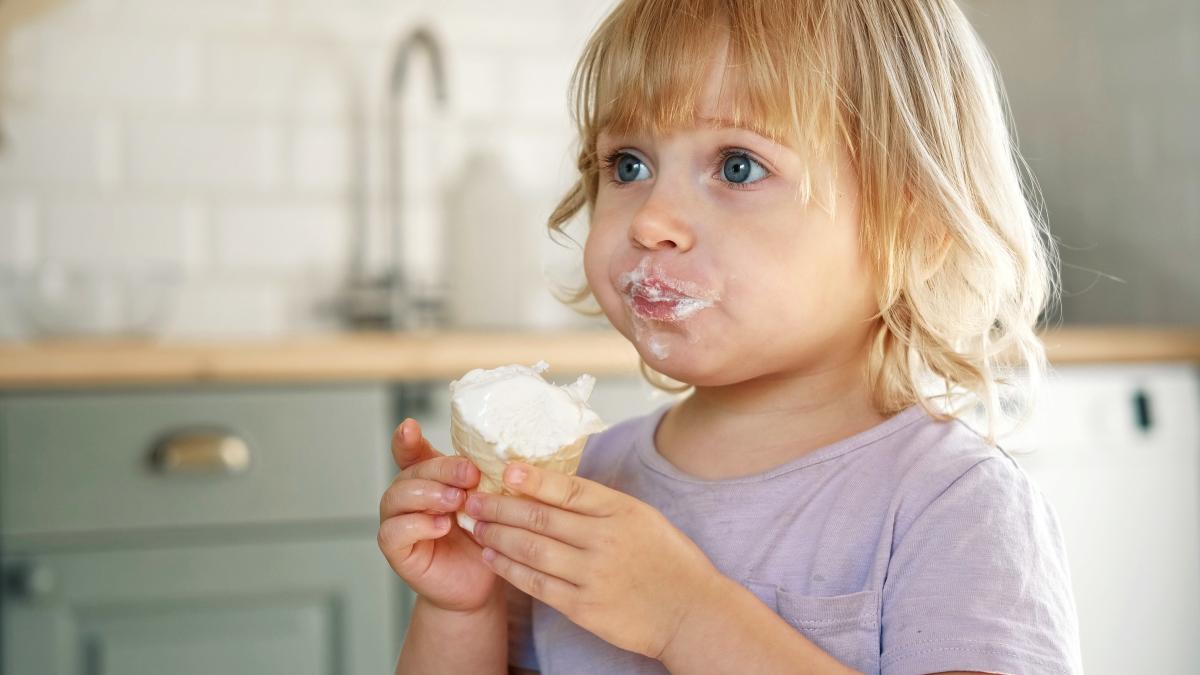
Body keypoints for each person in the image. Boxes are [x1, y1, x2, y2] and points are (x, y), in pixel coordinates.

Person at [377, 0, 1083, 672]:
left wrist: (687, 617)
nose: (652, 217)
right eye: (629, 164)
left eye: (738, 166)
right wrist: (461, 609)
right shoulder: (581, 481)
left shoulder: (954, 506)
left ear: (915, 229)